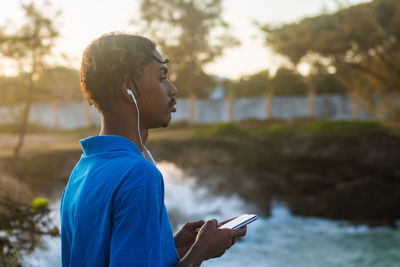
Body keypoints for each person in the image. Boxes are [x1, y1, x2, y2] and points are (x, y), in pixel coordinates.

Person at [60, 33, 247, 267]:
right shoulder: (137, 175)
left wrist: (170, 247)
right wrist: (200, 251)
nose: (173, 89)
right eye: (161, 78)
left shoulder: (82, 170)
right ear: (127, 88)